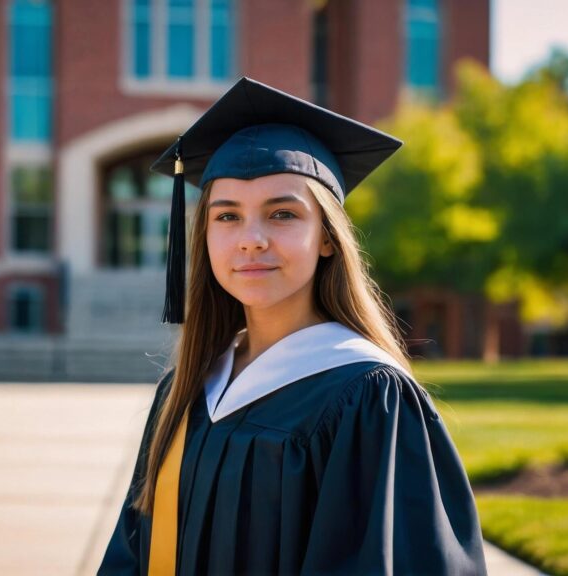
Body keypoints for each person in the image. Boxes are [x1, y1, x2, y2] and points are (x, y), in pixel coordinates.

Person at [99, 77, 487, 575]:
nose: (251, 239)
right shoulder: (186, 392)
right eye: (227, 216)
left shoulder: (366, 397)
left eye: (282, 213)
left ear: (327, 238)